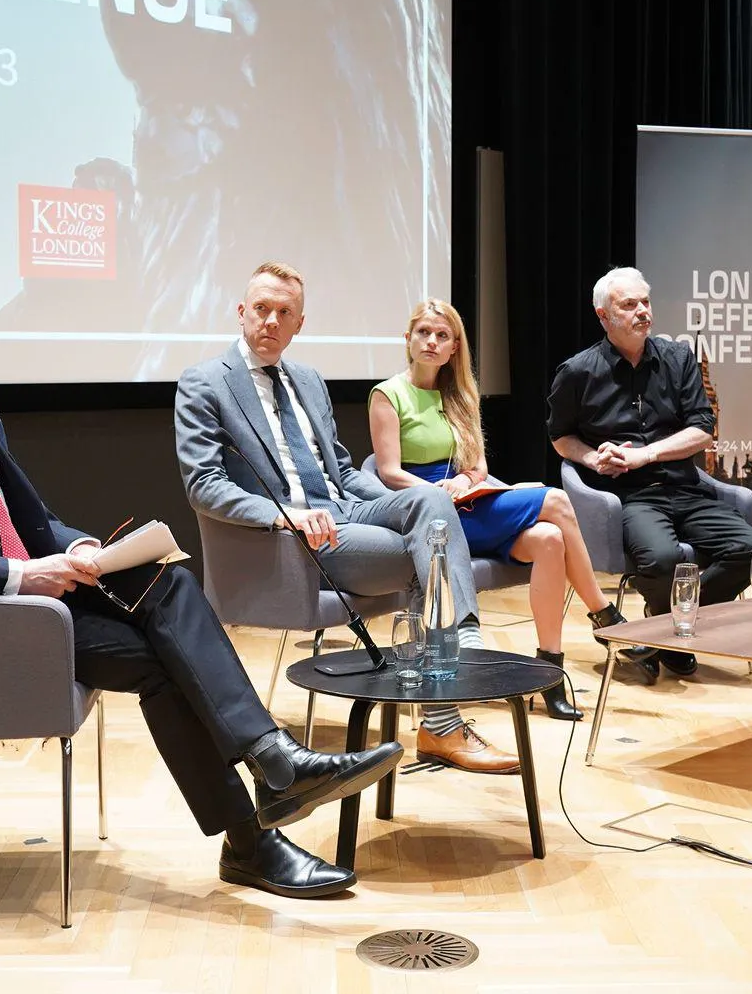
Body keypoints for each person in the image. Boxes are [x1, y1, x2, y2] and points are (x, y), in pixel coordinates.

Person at [0, 224, 402, 900]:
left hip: (38, 593)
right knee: (168, 665)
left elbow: (21, 515)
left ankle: (271, 772)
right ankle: (258, 823)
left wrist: (77, 546)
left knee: (167, 580)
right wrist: (19, 576)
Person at [175, 263, 518, 774]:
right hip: (293, 538)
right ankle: (442, 725)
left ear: (299, 323)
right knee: (427, 558)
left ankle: (463, 638)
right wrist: (285, 516)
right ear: (242, 313)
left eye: (284, 312)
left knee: (433, 508)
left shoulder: (309, 379)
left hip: (345, 510)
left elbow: (340, 469)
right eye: (262, 309)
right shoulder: (205, 383)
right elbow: (203, 485)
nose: (271, 320)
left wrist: (402, 500)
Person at [370, 299, 621, 722]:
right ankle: (604, 615)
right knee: (556, 500)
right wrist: (436, 493)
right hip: (431, 515)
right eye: (423, 333)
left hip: (469, 501)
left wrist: (465, 482)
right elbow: (389, 472)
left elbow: (479, 467)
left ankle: (550, 674)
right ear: (408, 339)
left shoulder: (461, 395)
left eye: (442, 336)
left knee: (550, 540)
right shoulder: (387, 394)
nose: (431, 341)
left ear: (454, 347)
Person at [548, 267, 752, 682]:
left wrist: (646, 454)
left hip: (685, 487)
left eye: (645, 302)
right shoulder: (578, 372)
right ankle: (672, 626)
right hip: (628, 496)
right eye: (628, 305)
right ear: (603, 315)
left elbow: (702, 429)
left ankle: (662, 626)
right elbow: (561, 437)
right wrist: (594, 459)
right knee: (663, 559)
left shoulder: (678, 358)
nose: (642, 312)